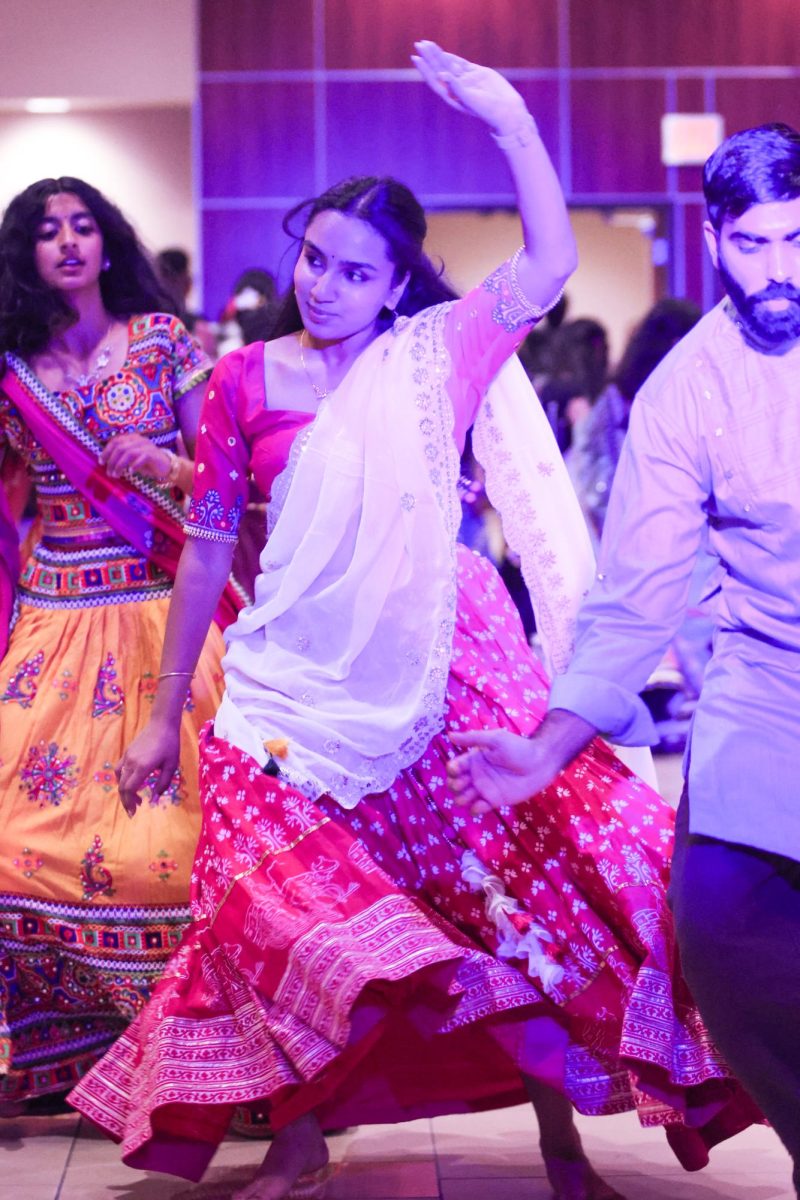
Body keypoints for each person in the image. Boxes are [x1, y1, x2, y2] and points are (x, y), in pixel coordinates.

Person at [69, 45, 756, 1200]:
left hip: (434, 670)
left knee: (497, 891)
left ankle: (557, 1135)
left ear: (397, 287)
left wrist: (507, 122)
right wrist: (155, 715)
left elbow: (545, 258)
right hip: (289, 680)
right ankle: (296, 1134)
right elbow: (205, 551)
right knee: (271, 906)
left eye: (353, 271)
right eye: (311, 259)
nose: (324, 284)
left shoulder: (434, 358)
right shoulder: (242, 382)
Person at [448, 120, 800, 1198]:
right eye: (751, 245)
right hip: (766, 687)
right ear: (711, 239)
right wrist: (552, 740)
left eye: (797, 240)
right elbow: (635, 587)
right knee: (721, 920)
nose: (777, 270)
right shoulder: (686, 386)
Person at [0, 177, 239, 1110]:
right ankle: (63, 1063)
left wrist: (168, 465)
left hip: (166, 612)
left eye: (82, 227)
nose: (66, 244)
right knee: (21, 836)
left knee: (174, 853)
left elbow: (226, 478)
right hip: (55, 624)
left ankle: (194, 1075)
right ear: (23, 255)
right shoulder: (11, 372)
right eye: (45, 232)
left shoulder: (163, 343)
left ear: (108, 243)